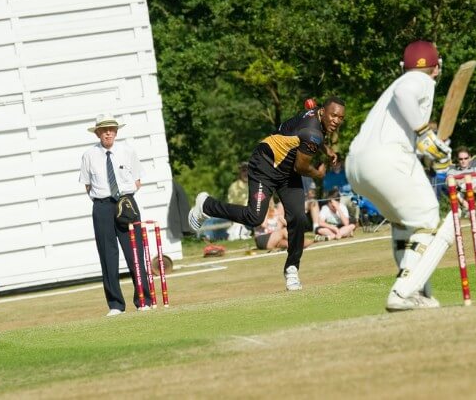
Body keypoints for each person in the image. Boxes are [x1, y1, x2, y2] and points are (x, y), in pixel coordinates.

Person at [188, 97, 346, 291]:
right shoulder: (313, 130)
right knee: (254, 217)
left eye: (340, 118)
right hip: (265, 165)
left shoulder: (314, 115)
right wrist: (319, 173)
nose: (336, 121)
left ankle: (292, 269)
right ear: (323, 111)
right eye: (334, 115)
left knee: (297, 218)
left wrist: (326, 149)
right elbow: (302, 165)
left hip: (288, 173)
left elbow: (305, 137)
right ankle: (206, 205)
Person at [346, 40, 455, 311]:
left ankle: (418, 291)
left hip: (356, 164)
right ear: (438, 67)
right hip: (387, 159)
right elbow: (406, 95)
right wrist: (423, 131)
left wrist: (434, 150)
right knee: (429, 216)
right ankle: (403, 291)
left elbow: (406, 133)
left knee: (405, 223)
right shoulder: (419, 80)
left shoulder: (393, 88)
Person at [79, 113, 152, 316]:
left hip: (126, 203)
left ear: (116, 131)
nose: (108, 133)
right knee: (107, 255)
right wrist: (103, 201)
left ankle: (143, 300)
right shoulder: (89, 155)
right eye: (103, 130)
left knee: (134, 253)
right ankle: (115, 305)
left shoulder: (128, 151)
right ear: (98, 134)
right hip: (102, 206)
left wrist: (124, 197)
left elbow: (137, 180)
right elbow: (87, 185)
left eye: (111, 129)